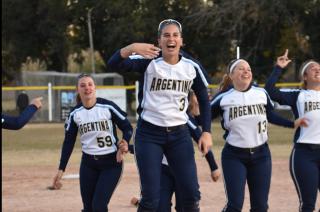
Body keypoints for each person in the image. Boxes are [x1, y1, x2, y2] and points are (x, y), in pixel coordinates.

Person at [108, 19, 212, 212]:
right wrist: (132, 47)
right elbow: (114, 63)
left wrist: (206, 132)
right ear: (159, 40)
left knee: (191, 194)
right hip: (149, 134)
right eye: (166, 35)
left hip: (179, 135)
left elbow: (204, 100)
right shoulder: (149, 62)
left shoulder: (191, 67)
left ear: (181, 40)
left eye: (175, 35)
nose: (171, 39)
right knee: (151, 199)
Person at [210, 58, 307, 212]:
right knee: (234, 205)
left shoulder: (261, 93)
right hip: (234, 155)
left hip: (261, 155)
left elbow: (271, 115)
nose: (246, 71)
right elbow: (204, 118)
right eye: (241, 68)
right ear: (231, 75)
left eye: (248, 68)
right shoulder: (223, 98)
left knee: (260, 206)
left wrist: (291, 124)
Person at [51, 73, 133, 212]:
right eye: (82, 85)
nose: (87, 88)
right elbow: (68, 143)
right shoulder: (75, 114)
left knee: (99, 206)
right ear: (77, 90)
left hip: (111, 163)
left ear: (95, 87)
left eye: (90, 84)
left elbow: (127, 127)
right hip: (88, 164)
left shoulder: (107, 107)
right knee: (88, 208)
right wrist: (61, 169)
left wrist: (124, 142)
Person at [130, 91, 221, 212]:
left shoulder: (183, 119)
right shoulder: (152, 120)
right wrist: (130, 148)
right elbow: (148, 147)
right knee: (160, 207)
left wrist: (213, 166)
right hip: (163, 170)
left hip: (181, 170)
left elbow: (202, 140)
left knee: (185, 206)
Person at [265, 49, 320, 212]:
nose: (317, 69)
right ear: (304, 77)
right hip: (305, 153)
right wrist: (278, 68)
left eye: (319, 68)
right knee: (308, 205)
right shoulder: (298, 95)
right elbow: (270, 90)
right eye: (313, 68)